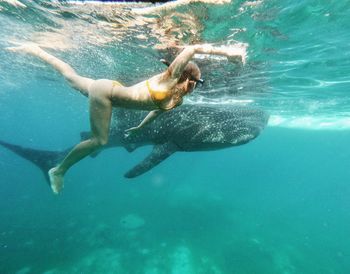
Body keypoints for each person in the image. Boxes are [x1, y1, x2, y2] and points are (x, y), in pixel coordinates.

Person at [7, 43, 246, 194]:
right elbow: (191, 49)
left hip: (108, 89)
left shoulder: (177, 98)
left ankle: (35, 50)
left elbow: (155, 112)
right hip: (106, 94)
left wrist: (137, 128)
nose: (196, 87)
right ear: (187, 78)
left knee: (70, 75)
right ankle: (58, 170)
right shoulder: (170, 79)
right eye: (196, 82)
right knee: (100, 141)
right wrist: (227, 53)